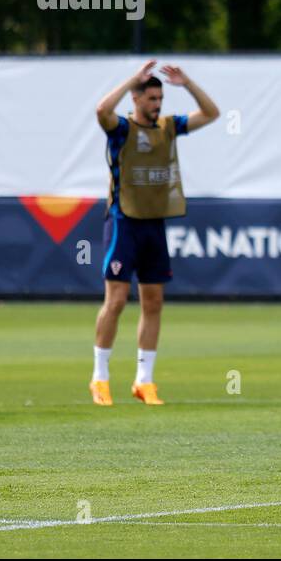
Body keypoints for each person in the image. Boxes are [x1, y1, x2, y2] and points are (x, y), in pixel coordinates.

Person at [90, 60, 219, 406]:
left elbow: (211, 113)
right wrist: (131, 78)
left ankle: (144, 381)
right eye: (150, 98)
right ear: (135, 99)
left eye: (159, 98)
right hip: (123, 221)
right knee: (116, 300)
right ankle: (100, 377)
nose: (157, 104)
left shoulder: (168, 127)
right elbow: (101, 109)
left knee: (154, 301)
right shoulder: (121, 129)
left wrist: (187, 83)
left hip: (154, 222)